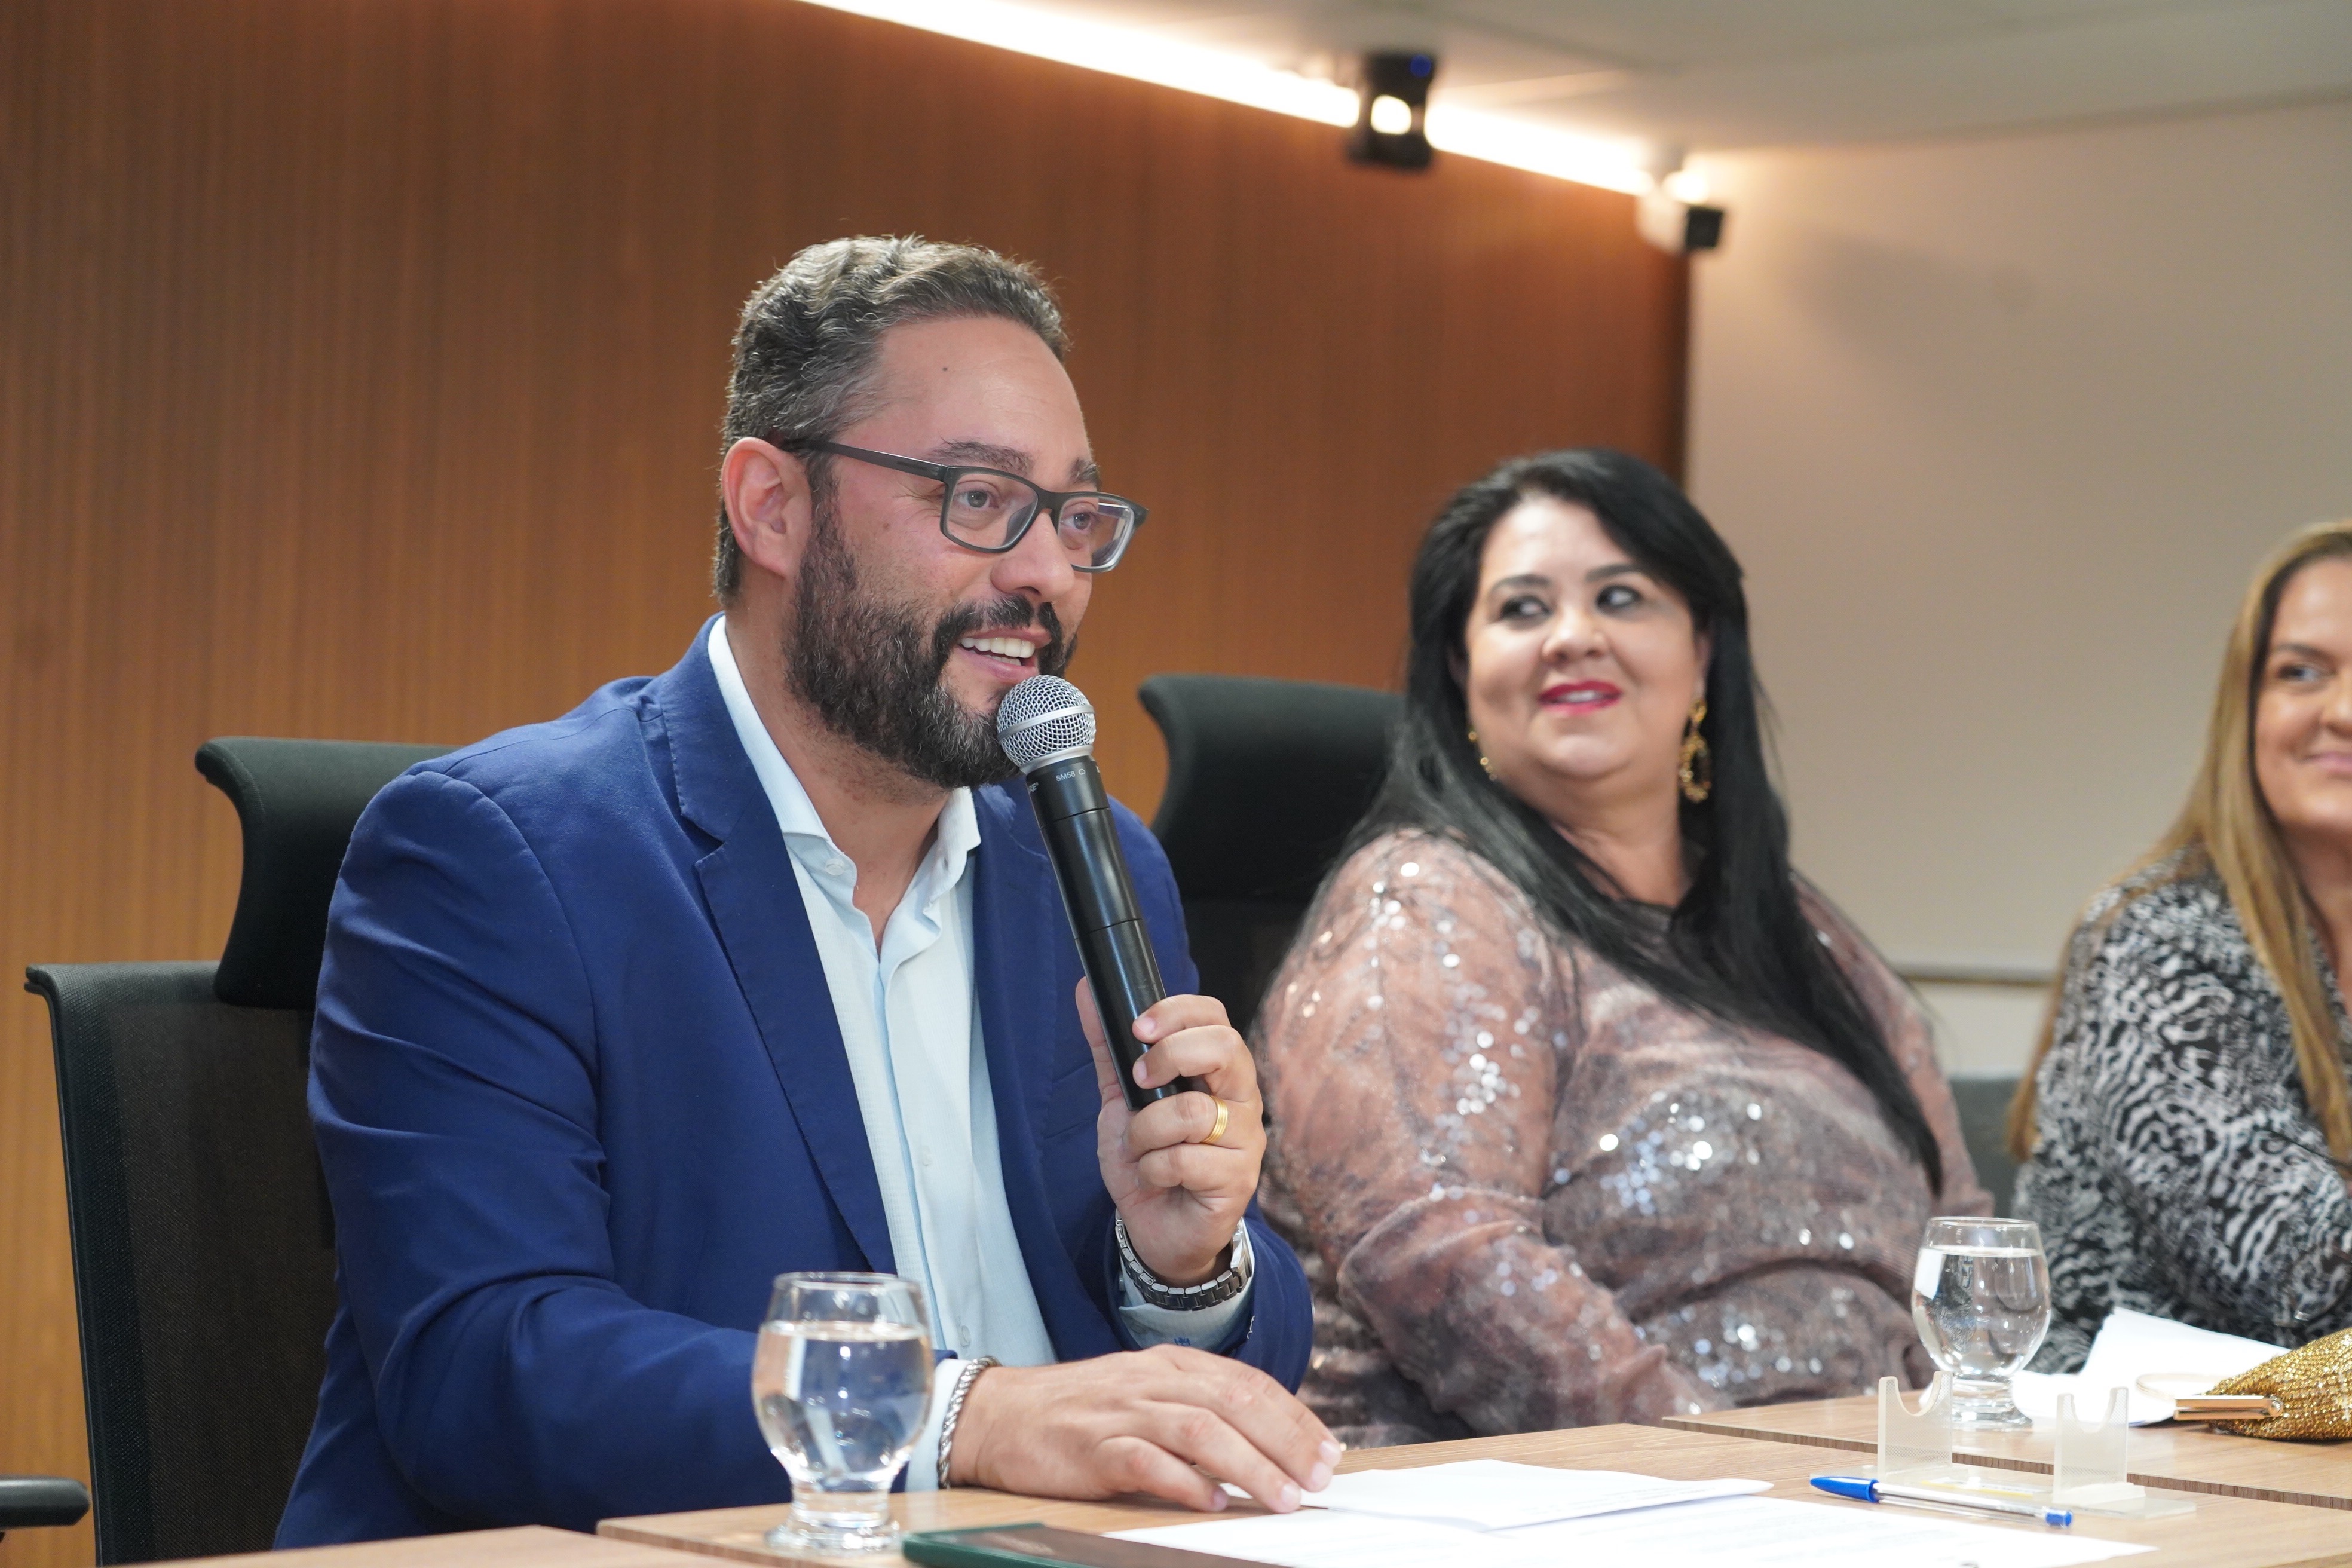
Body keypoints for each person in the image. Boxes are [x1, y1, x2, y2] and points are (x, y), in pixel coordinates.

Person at [275, 237, 1328, 1545]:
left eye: (1075, 518)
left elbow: (1239, 1361)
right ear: (772, 506)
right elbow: (486, 1363)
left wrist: (1183, 1265)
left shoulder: (1094, 863)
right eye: (980, 499)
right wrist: (962, 1416)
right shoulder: (497, 854)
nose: (1048, 574)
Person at [1254, 449, 1990, 1448]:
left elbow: (1963, 1238)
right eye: (1522, 609)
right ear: (1462, 670)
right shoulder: (1425, 902)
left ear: (1703, 650)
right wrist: (1727, 1465)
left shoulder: (1803, 934)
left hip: (1871, 1491)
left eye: (1620, 597)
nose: (1573, 637)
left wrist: (1968, 1460)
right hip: (1546, 1505)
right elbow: (1442, 1259)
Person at [2013, 520, 2352, 1371]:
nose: (2342, 711)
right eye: (2302, 672)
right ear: (2246, 709)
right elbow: (2302, 1278)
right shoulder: (2155, 943)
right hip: (2121, 1433)